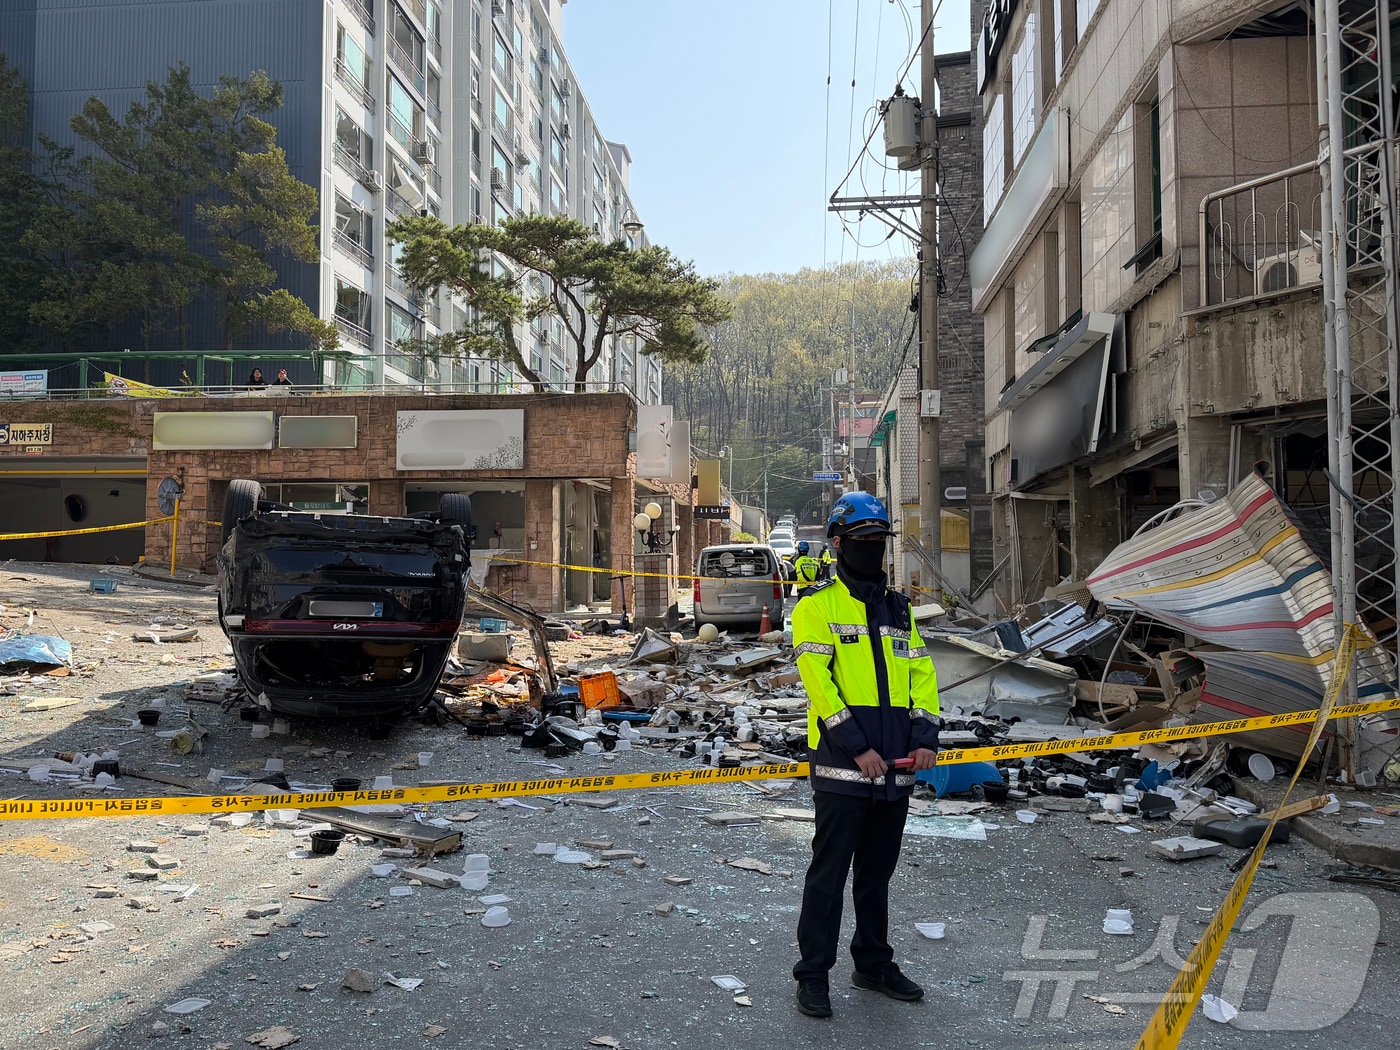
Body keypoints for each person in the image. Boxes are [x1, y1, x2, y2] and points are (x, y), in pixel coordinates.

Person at [791, 491, 940, 1020]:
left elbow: (922, 675)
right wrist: (859, 747)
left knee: (876, 877)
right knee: (828, 877)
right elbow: (820, 685)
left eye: (879, 539)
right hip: (843, 766)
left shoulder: (899, 608)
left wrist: (925, 738)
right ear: (838, 544)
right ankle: (813, 974)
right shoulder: (816, 607)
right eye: (862, 540)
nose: (872, 547)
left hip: (896, 767)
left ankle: (873, 963)